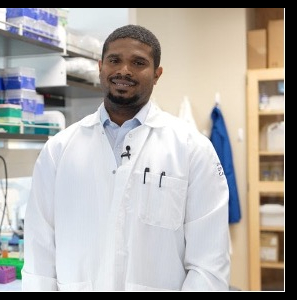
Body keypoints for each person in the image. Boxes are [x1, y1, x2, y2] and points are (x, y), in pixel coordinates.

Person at [22, 24, 230, 291]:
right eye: (114, 60)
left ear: (157, 74)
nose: (124, 70)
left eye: (138, 62)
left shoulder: (192, 149)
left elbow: (208, 266)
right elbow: (39, 251)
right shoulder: (59, 150)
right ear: (100, 67)